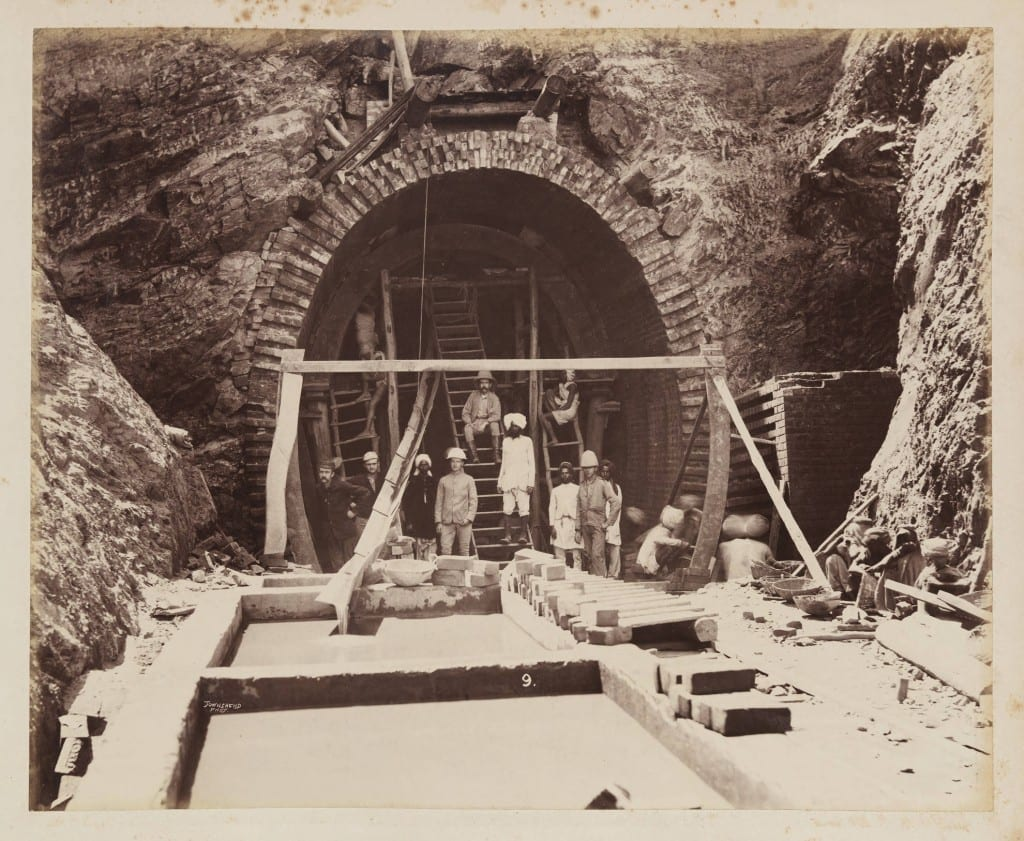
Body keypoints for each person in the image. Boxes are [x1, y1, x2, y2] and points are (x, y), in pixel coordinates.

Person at [575, 450, 621, 578]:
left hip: (598, 526)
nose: (587, 470)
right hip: (585, 525)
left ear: (595, 468)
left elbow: (616, 503)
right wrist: (577, 529)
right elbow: (578, 508)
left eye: (590, 467)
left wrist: (608, 522)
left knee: (597, 555)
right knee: (588, 555)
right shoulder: (582, 486)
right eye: (584, 468)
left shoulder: (602, 484)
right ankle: (593, 582)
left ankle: (601, 581)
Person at [316, 459, 365, 568]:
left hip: (346, 530)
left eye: (326, 472)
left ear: (332, 474)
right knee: (337, 565)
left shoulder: (341, 485)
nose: (323, 475)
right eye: (321, 472)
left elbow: (364, 493)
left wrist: (354, 511)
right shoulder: (319, 488)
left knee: (351, 563)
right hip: (331, 533)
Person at [497, 413, 535, 545]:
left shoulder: (527, 441)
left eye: (517, 426)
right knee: (507, 508)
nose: (514, 429)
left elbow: (532, 463)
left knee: (524, 508)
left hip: (523, 480)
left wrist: (531, 482)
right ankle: (507, 535)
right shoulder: (506, 442)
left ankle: (523, 535)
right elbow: (504, 463)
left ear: (521, 428)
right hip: (509, 480)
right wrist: (500, 481)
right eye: (512, 426)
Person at [434, 447, 478, 555]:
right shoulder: (443, 480)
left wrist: (469, 518)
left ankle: (465, 572)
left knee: (464, 549)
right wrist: (438, 521)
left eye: (458, 461)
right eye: (452, 461)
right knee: (445, 549)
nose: (455, 464)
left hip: (463, 521)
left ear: (462, 463)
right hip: (446, 521)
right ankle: (447, 572)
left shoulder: (469, 480)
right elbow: (439, 502)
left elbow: (473, 501)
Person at [865, 526, 920, 611]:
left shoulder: (906, 548)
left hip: (904, 576)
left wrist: (874, 568)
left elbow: (887, 560)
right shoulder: (914, 550)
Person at [402, 454, 438, 560]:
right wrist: (409, 521)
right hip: (417, 518)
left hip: (431, 517)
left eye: (426, 464)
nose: (424, 467)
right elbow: (407, 502)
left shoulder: (434, 481)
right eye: (421, 465)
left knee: (431, 543)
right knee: (418, 544)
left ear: (429, 466)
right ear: (418, 466)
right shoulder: (413, 481)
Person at [461, 370, 502, 464]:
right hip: (475, 423)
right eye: (482, 383)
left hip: (487, 424)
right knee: (467, 429)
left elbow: (497, 415)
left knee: (495, 425)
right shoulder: (473, 396)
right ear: (479, 384)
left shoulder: (494, 398)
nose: (484, 385)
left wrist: (487, 422)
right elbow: (465, 412)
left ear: (490, 384)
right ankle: (474, 456)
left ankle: (496, 455)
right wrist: (470, 423)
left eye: (486, 383)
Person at [549, 461, 583, 568]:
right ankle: (561, 578)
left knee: (576, 555)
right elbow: (552, 508)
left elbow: (581, 509)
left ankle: (578, 576)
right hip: (560, 523)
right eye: (562, 473)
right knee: (559, 554)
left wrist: (579, 528)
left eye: (567, 473)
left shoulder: (577, 489)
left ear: (571, 474)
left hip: (573, 523)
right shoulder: (555, 491)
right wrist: (552, 526)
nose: (565, 475)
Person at [348, 451, 382, 539]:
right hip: (363, 519)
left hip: (380, 518)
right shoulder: (357, 480)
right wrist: (353, 507)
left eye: (374, 464)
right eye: (369, 464)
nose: (371, 467)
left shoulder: (384, 478)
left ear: (378, 464)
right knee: (364, 547)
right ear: (364, 465)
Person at [599, 459, 624, 579]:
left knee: (614, 548)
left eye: (607, 472)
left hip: (613, 522)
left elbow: (618, 506)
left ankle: (613, 574)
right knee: (601, 550)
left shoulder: (616, 488)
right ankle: (602, 574)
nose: (604, 474)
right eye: (602, 472)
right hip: (600, 521)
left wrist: (611, 522)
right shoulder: (598, 486)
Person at [358, 341, 387, 436]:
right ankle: (365, 392)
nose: (364, 356)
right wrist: (364, 362)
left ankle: (367, 430)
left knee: (372, 404)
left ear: (371, 350)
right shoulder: (366, 358)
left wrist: (369, 378)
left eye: (365, 353)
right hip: (376, 381)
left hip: (385, 382)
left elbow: (382, 376)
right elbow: (369, 375)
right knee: (364, 371)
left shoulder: (378, 356)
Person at [541, 369, 580, 440]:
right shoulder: (562, 384)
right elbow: (551, 392)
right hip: (563, 406)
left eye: (564, 374)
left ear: (568, 375)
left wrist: (557, 411)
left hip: (570, 410)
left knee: (544, 417)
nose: (562, 376)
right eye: (561, 374)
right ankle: (553, 414)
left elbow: (568, 404)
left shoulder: (572, 386)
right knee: (548, 392)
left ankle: (554, 439)